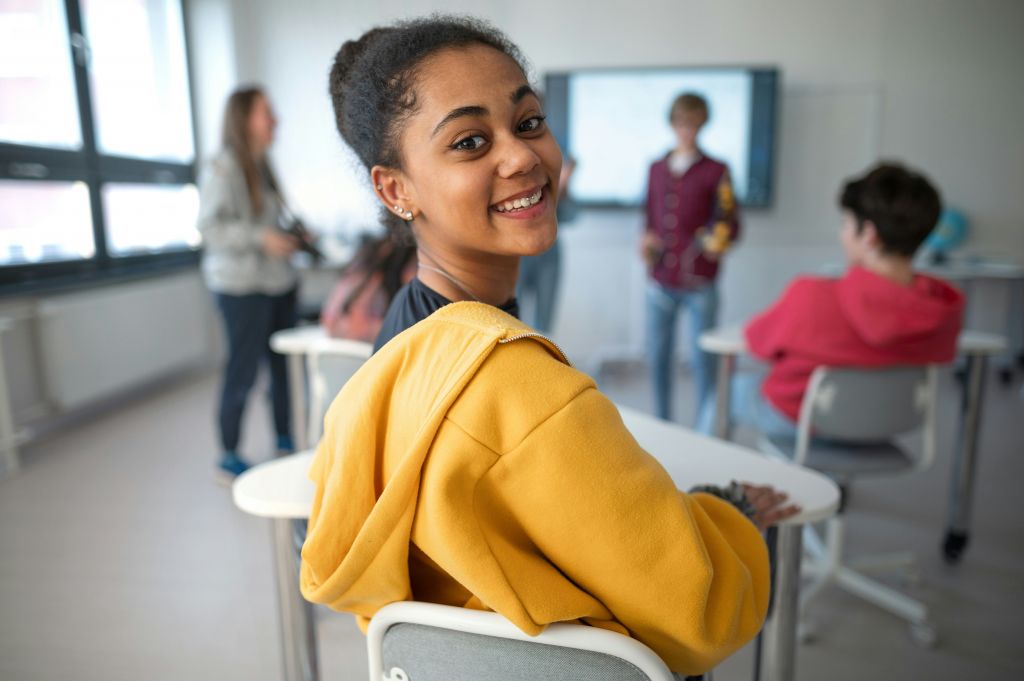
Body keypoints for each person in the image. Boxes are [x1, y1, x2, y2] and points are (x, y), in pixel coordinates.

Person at [300, 16, 796, 677]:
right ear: (395, 189)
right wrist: (723, 513)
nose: (523, 157)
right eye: (471, 141)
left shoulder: (402, 339)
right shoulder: (520, 390)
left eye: (529, 122)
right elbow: (701, 609)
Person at [699, 162, 964, 437]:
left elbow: (757, 342)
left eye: (846, 223)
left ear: (869, 235)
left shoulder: (812, 296)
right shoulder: (941, 311)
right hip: (884, 427)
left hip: (803, 421)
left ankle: (700, 477)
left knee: (727, 392)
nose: (843, 234)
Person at [197, 86, 303, 480]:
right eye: (266, 113)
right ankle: (228, 454)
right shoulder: (222, 167)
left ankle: (285, 439)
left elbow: (272, 220)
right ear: (244, 119)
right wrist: (260, 238)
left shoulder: (264, 164)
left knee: (281, 371)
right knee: (242, 372)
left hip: (277, 283)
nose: (275, 120)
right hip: (241, 287)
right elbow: (209, 227)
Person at [641, 93, 740, 424]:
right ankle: (662, 424)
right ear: (673, 124)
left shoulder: (717, 170)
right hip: (659, 283)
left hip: (700, 283)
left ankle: (706, 429)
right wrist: (646, 240)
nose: (688, 131)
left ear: (702, 125)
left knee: (703, 363)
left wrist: (719, 239)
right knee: (657, 359)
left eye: (695, 124)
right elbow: (649, 217)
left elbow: (730, 221)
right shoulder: (656, 168)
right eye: (683, 123)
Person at [516, 156, 576, 334]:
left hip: (548, 256)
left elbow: (570, 216)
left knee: (545, 322)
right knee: (511, 319)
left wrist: (564, 188)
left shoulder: (552, 180)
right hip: (516, 255)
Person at [320, 233, 417, 342]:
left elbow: (329, 320)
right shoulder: (373, 283)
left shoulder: (355, 276)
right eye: (415, 265)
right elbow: (357, 329)